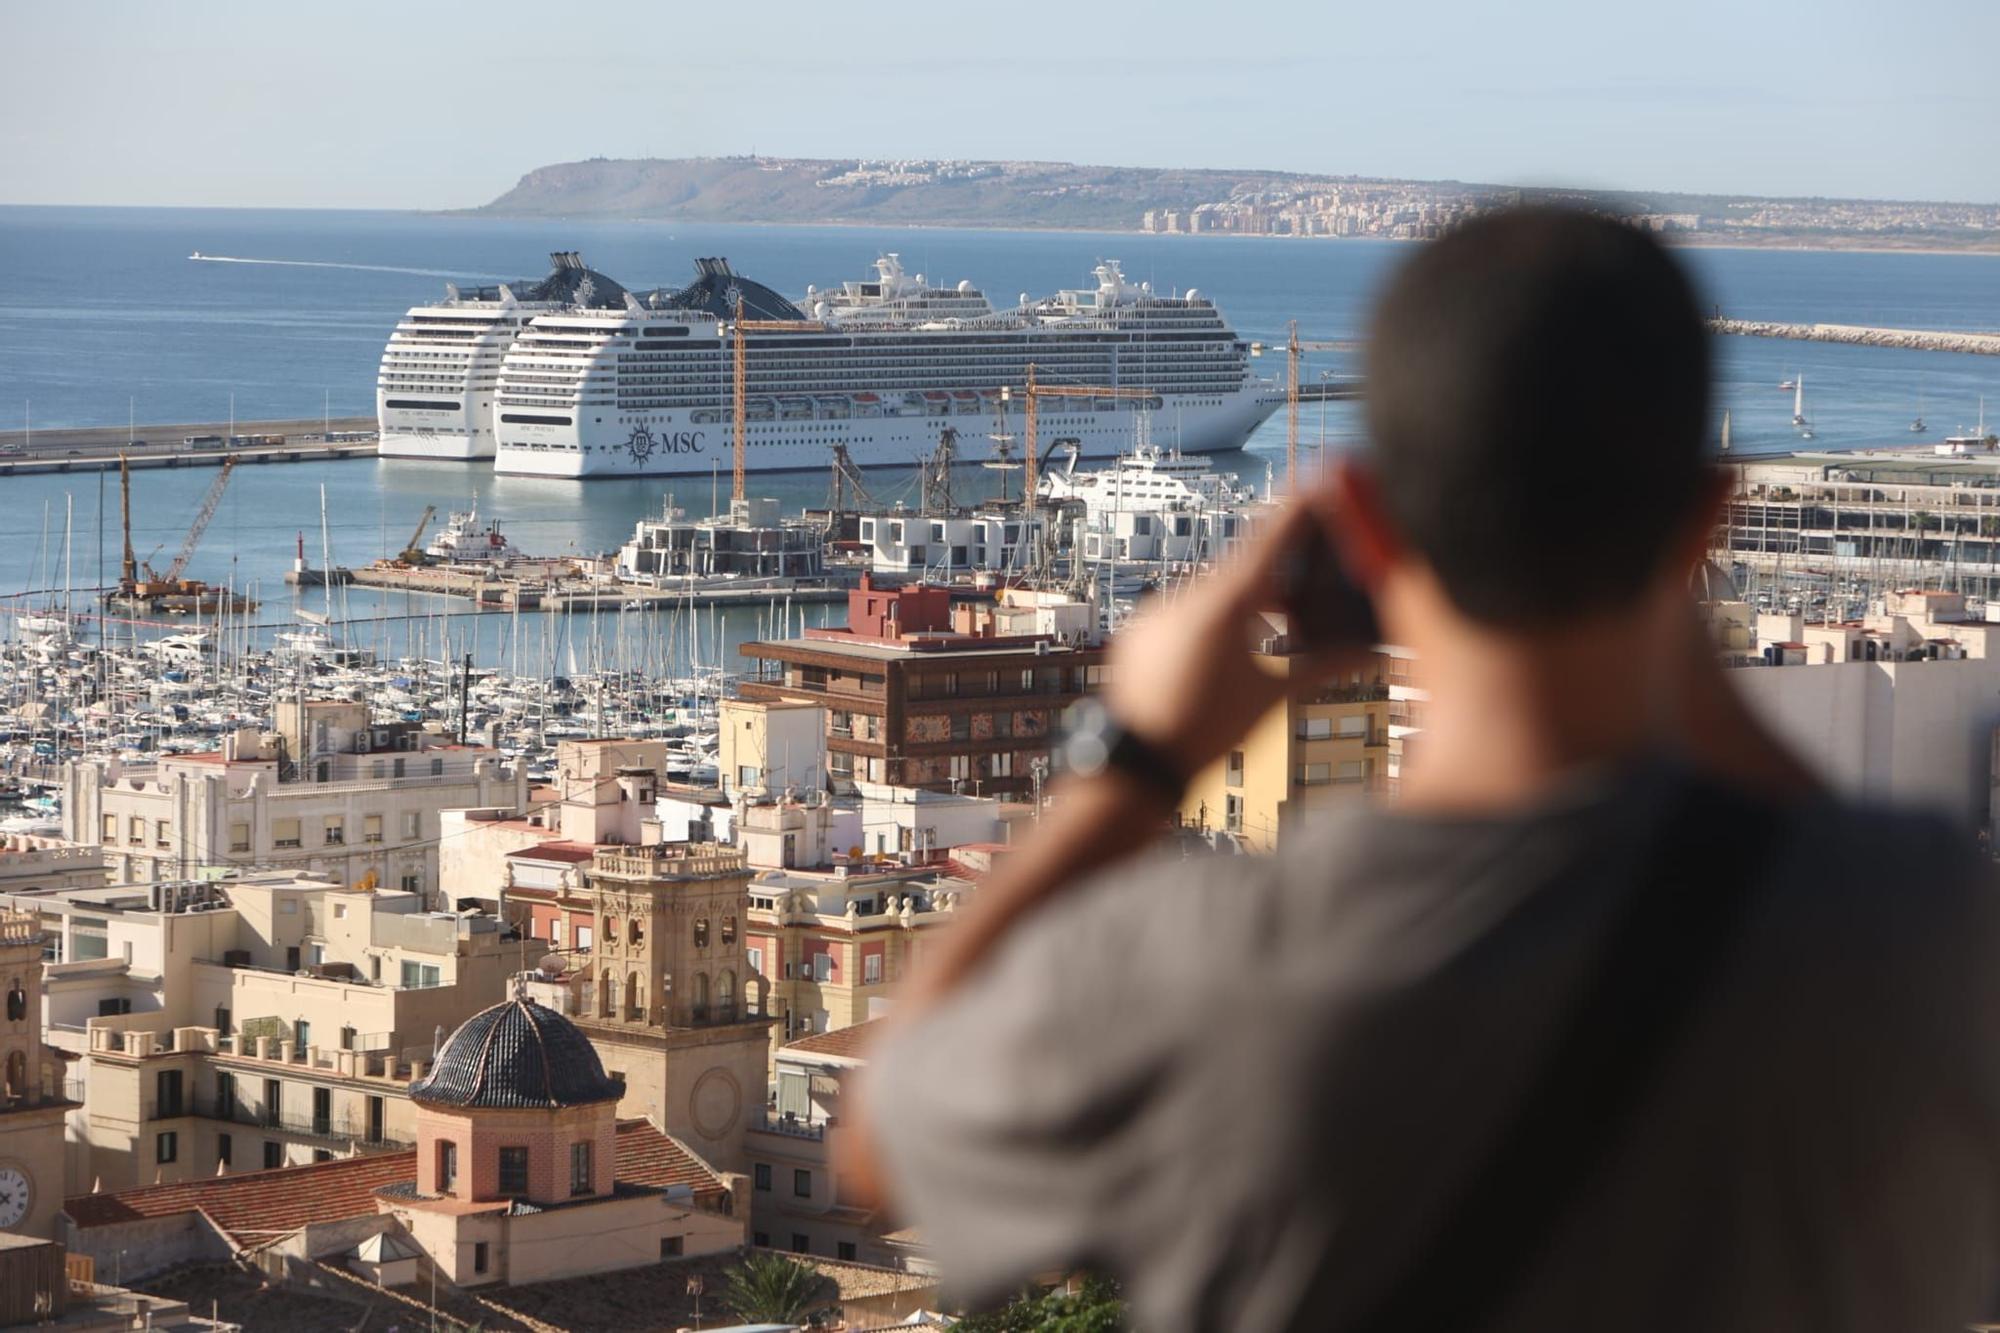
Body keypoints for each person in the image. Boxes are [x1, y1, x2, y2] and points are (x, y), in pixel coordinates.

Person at [843, 209, 2000, 1332]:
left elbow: (878, 1137)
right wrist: (1675, 620)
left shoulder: (1199, 968)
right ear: (1705, 521)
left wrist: (1136, 762)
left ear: (1360, 516)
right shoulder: (1924, 925)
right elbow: (1803, 831)